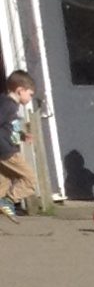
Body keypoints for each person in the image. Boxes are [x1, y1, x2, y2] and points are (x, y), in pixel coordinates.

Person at [0, 68, 37, 219]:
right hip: (6, 150)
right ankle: (7, 202)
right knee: (29, 180)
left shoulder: (7, 104)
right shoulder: (8, 105)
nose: (30, 98)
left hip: (4, 149)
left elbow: (7, 127)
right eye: (30, 94)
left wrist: (22, 135)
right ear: (20, 90)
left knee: (5, 181)